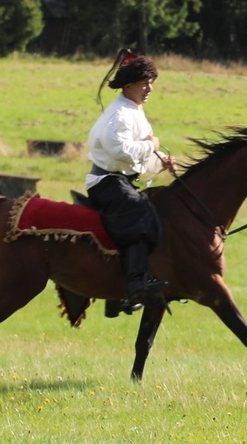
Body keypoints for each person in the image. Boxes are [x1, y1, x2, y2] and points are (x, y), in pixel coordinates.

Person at [86, 49, 176, 311]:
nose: (149, 89)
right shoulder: (120, 115)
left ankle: (117, 294)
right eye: (144, 84)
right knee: (142, 214)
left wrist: (161, 162)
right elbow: (121, 151)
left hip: (119, 180)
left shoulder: (134, 110)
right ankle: (135, 284)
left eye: (152, 84)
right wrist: (151, 145)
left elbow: (133, 160)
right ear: (128, 86)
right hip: (106, 183)